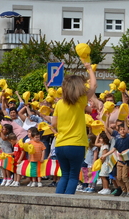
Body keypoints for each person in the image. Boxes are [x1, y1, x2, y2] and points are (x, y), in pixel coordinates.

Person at [50, 60, 97, 194]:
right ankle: (67, 206)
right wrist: (89, 67)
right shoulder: (81, 101)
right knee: (73, 176)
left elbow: (53, 124)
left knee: (64, 176)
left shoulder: (59, 104)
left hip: (60, 144)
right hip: (76, 144)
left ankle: (56, 202)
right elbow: (93, 85)